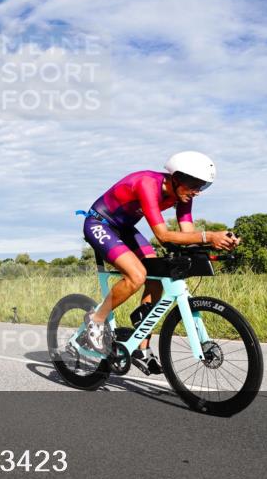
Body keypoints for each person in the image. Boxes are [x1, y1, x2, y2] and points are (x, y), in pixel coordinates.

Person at [79, 151, 239, 373]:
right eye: (194, 184)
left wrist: (216, 243)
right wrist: (209, 236)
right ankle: (95, 320)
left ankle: (140, 349)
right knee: (136, 275)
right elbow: (163, 236)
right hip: (100, 223)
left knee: (156, 277)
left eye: (203, 186)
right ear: (176, 178)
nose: (197, 192)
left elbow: (188, 234)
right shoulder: (147, 184)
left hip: (124, 229)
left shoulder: (182, 195)